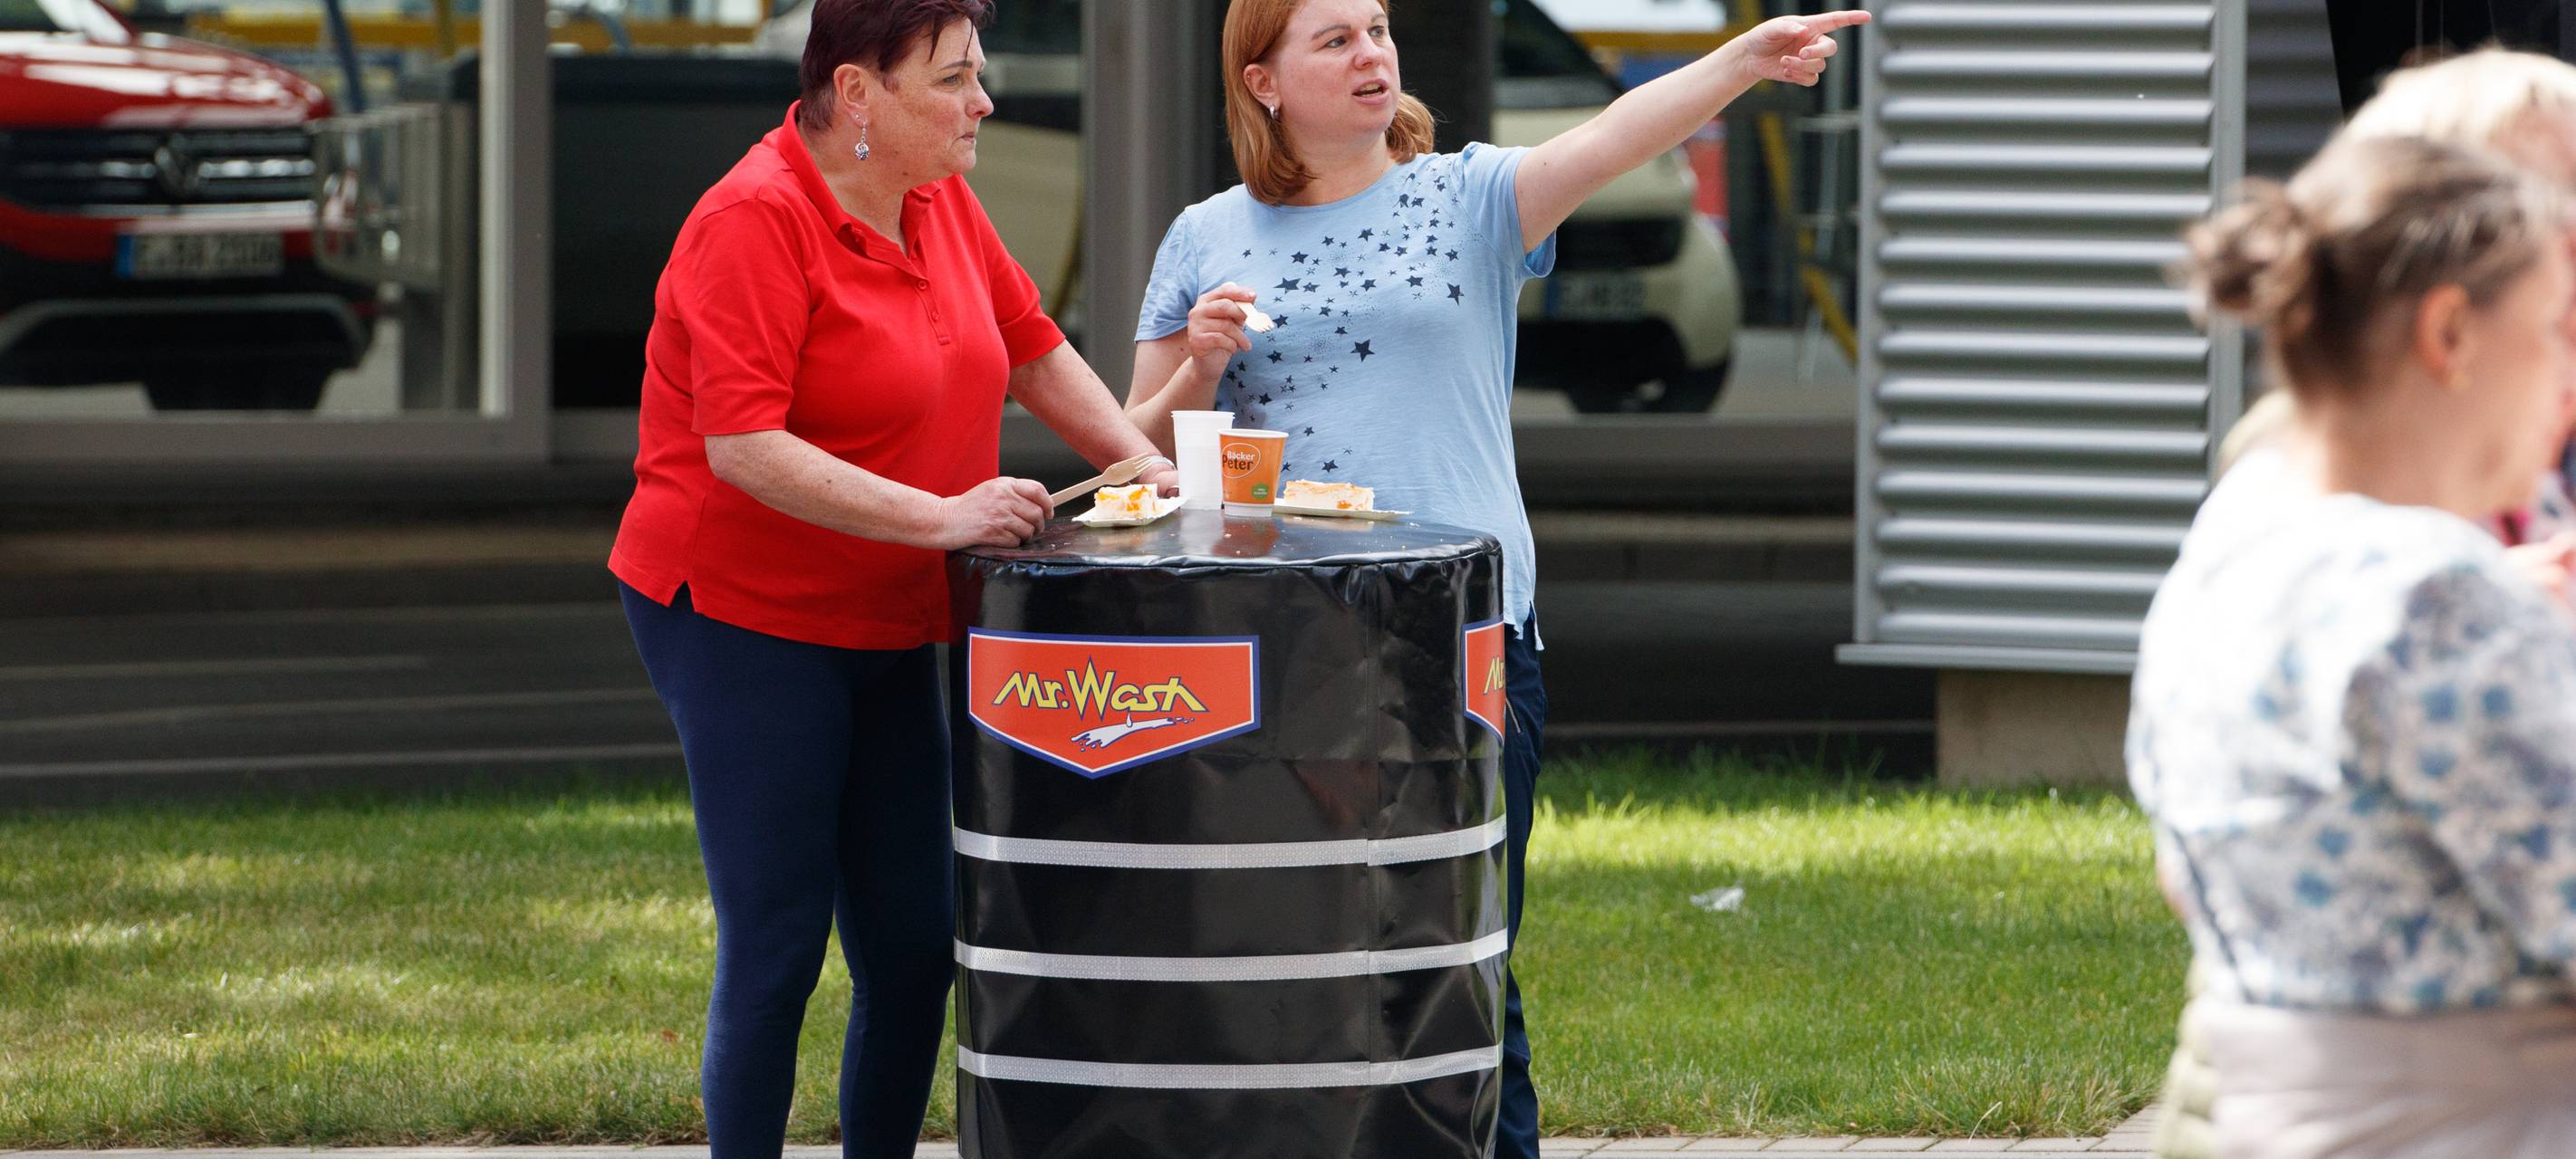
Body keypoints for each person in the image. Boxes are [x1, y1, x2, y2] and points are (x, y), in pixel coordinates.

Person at [1120, 2, 1865, 1153]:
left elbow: (1618, 133)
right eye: (1336, 40)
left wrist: (1740, 60)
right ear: (1261, 81)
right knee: (1294, 955)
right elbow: (1140, 456)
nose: (1374, 53)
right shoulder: (1204, 237)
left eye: (1377, 28)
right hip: (1274, 648)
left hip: (1460, 640)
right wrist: (1203, 366)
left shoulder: (1466, 197)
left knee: (1460, 958)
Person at [607, 2, 1175, 1155]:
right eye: (956, 79)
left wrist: (1143, 463)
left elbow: (1034, 347)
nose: (985, 102)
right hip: (739, 611)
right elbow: (744, 447)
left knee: (916, 943)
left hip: (887, 605)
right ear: (858, 93)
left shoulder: (938, 199)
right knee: (777, 943)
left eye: (980, 73)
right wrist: (947, 515)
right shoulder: (753, 218)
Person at [2134, 132, 2576, 1159]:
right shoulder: (2430, 595)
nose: (2568, 381)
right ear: (2451, 332)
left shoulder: (2230, 559)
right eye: (2554, 328)